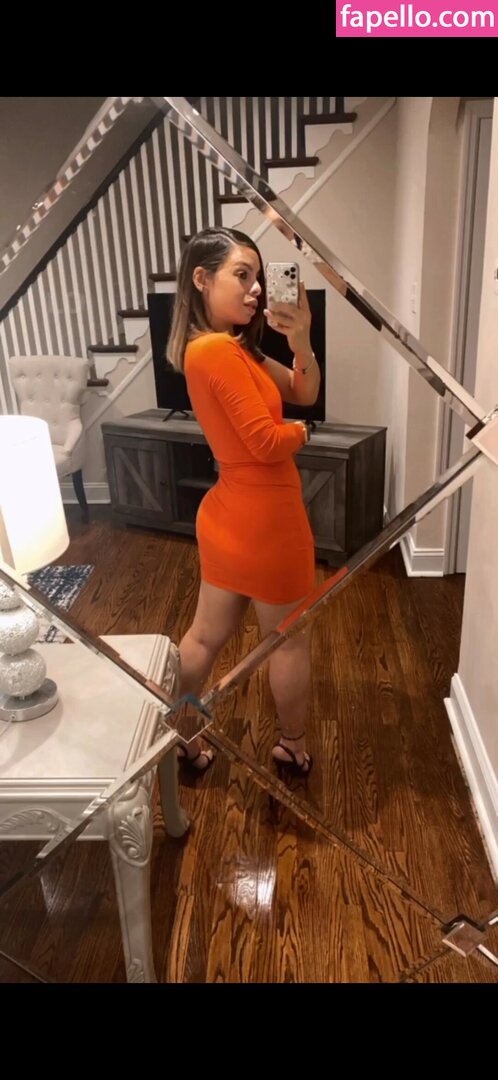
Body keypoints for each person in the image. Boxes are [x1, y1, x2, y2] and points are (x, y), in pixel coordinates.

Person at [167, 226, 321, 777]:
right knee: (288, 642)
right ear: (202, 279)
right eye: (242, 275)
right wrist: (304, 434)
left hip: (232, 514)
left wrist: (301, 340)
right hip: (266, 521)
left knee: (205, 637)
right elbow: (266, 442)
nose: (255, 288)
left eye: (258, 276)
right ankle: (292, 747)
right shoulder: (216, 351)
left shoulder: (232, 349)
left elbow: (303, 390)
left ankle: (180, 739)